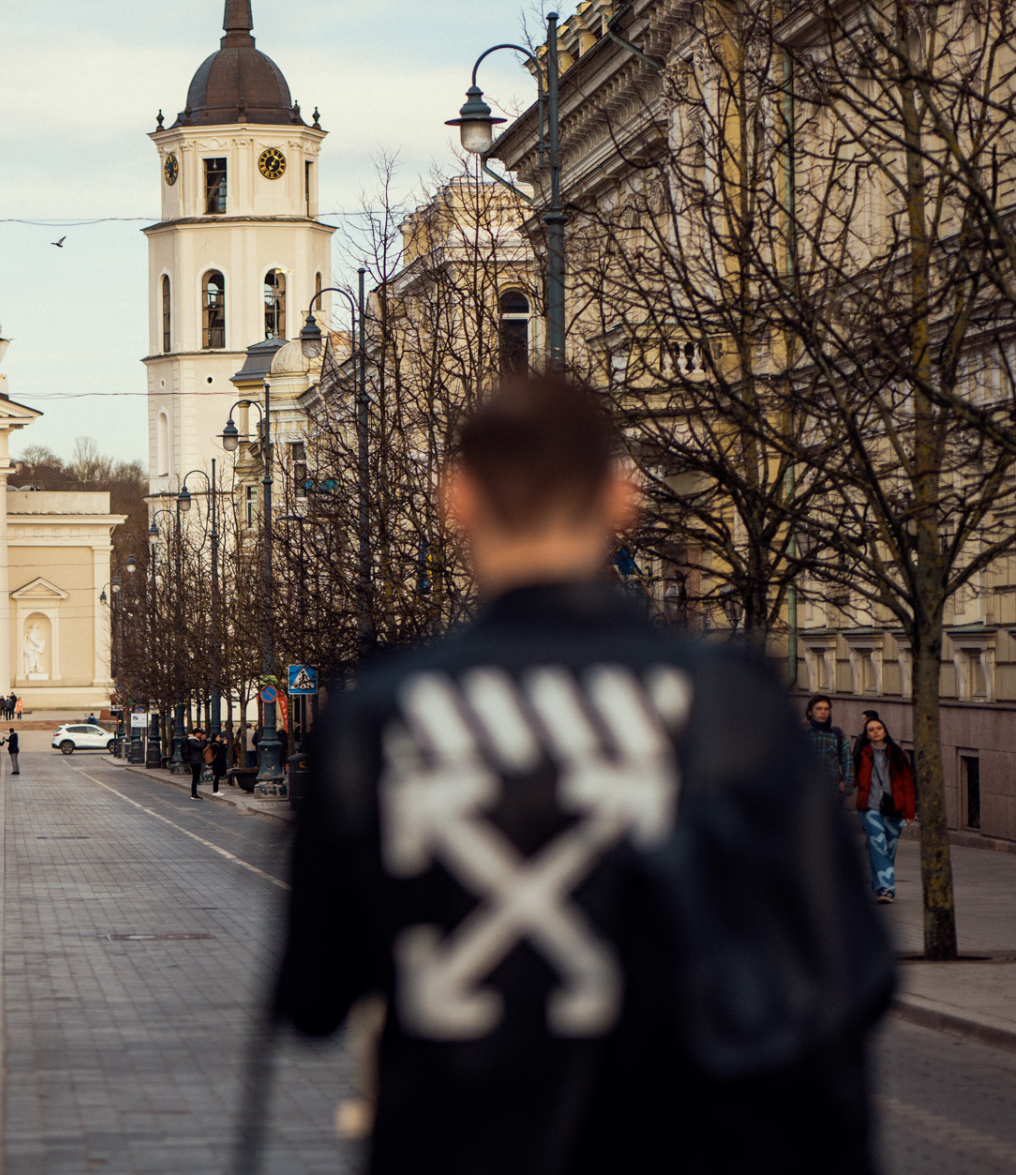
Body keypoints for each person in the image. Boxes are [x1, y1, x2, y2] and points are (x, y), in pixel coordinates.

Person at [275, 376, 893, 1174]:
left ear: (457, 500)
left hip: (453, 1143)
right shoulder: (727, 703)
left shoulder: (380, 717)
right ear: (621, 497)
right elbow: (849, 968)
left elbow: (315, 998)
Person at [855, 714, 916, 904]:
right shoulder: (863, 753)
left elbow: (908, 782)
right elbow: (854, 775)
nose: (875, 732)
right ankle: (887, 888)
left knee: (889, 848)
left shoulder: (897, 753)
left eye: (878, 728)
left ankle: (879, 885)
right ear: (867, 734)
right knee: (877, 844)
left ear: (885, 731)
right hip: (870, 807)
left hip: (894, 807)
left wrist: (910, 811)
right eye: (871, 730)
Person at [806, 696, 854, 798]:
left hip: (831, 794)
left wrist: (847, 785)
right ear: (810, 712)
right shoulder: (803, 735)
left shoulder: (837, 734)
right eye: (819, 709)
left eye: (826, 709)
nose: (823, 712)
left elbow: (848, 761)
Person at [185, 725, 208, 799]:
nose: (201, 734)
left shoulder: (196, 740)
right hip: (194, 760)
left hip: (197, 760)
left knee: (196, 777)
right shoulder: (192, 741)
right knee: (195, 777)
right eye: (200, 733)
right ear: (196, 733)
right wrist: (204, 740)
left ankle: (194, 793)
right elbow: (200, 747)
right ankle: (193, 794)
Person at [209, 730, 229, 795]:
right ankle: (215, 791)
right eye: (218, 737)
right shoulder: (215, 745)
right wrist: (224, 745)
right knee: (216, 776)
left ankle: (216, 790)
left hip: (218, 762)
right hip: (217, 762)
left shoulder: (217, 744)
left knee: (217, 776)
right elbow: (221, 752)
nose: (219, 738)